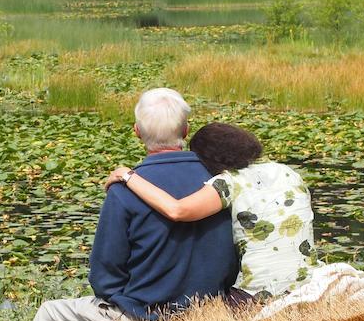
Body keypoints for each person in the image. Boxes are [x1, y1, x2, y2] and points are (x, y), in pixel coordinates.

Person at [21, 89, 238, 321]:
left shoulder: (123, 192)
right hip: (210, 310)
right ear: (186, 130)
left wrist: (131, 303)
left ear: (137, 132)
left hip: (145, 320)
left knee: (49, 317)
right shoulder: (221, 182)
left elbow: (104, 276)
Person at [105, 122, 314, 304]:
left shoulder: (229, 182)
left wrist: (128, 176)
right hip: (307, 283)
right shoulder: (288, 173)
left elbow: (177, 210)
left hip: (257, 294)